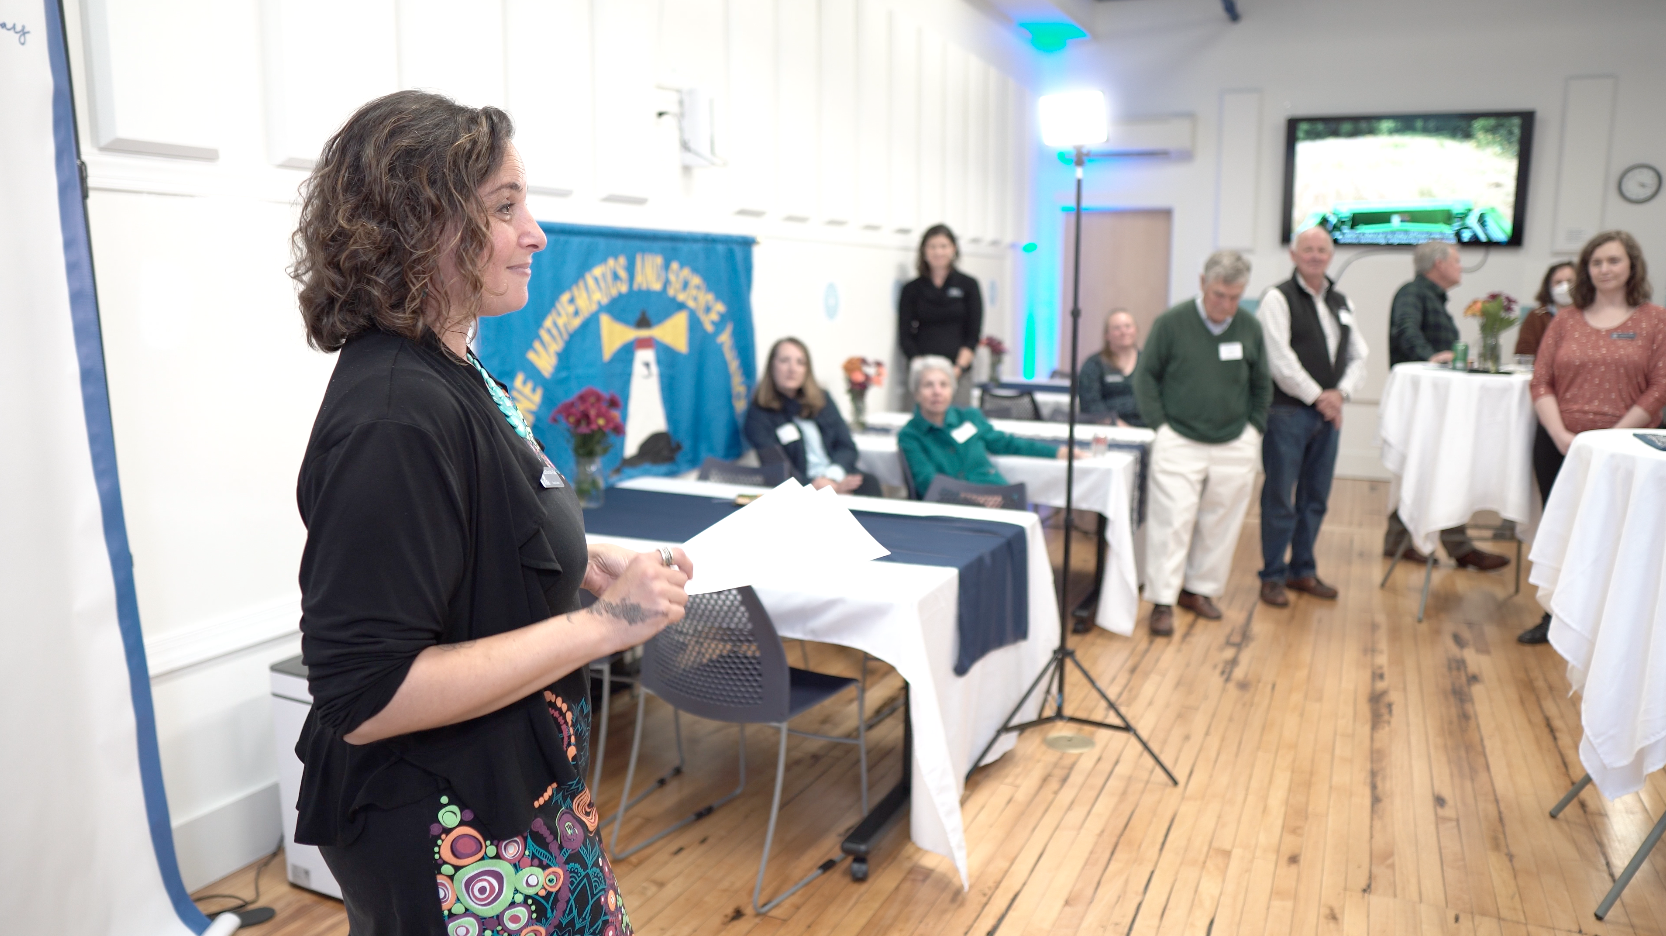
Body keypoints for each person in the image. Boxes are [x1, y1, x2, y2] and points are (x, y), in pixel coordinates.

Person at [288, 91, 690, 935]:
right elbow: (366, 694)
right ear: (417, 227)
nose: (535, 233)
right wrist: (605, 624)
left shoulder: (454, 366)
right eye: (504, 208)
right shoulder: (394, 413)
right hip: (448, 831)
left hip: (514, 786)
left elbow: (490, 516)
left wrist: (583, 566)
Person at [1517, 231, 1666, 644]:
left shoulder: (1656, 320)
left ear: (1632, 266)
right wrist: (1563, 435)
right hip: (1560, 443)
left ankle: (1608, 626)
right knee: (1561, 528)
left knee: (1616, 536)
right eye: (1596, 262)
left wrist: (1609, 439)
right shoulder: (1565, 319)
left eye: (1613, 261)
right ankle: (1554, 616)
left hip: (1626, 449)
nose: (1604, 269)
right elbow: (1541, 381)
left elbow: (1660, 386)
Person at [1132, 250, 1271, 636]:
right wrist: (1161, 427)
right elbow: (1145, 379)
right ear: (1202, 284)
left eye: (1233, 297)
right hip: (1179, 437)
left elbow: (1262, 382)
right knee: (1172, 521)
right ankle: (1162, 600)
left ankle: (1199, 590)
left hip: (1234, 441)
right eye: (1217, 295)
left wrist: (1254, 428)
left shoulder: (1248, 326)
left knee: (1220, 521)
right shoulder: (1171, 323)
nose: (1225, 305)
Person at [1255, 226, 1370, 607]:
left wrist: (1341, 395)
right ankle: (1272, 575)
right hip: (1287, 413)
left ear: (1331, 255)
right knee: (1280, 497)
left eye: (1323, 249)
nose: (1316, 255)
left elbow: (1358, 356)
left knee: (1315, 497)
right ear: (1293, 255)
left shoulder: (1341, 301)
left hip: (1327, 417)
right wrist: (1320, 397)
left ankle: (1302, 569)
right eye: (1308, 249)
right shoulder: (1277, 298)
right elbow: (1278, 359)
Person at [1383, 241, 1510, 570]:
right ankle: (1456, 546)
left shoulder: (1432, 298)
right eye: (1456, 260)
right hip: (1424, 405)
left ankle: (1401, 542)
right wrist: (1431, 357)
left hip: (1435, 403)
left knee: (1424, 467)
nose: (1460, 265)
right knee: (1438, 467)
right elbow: (1405, 330)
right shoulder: (1412, 293)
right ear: (1438, 263)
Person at [897, 355, 1069, 496]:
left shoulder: (969, 417)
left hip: (994, 492)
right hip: (951, 505)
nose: (937, 391)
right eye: (928, 385)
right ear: (916, 393)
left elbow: (1006, 443)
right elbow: (926, 482)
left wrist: (1056, 452)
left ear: (952, 390)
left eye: (944, 385)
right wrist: (972, 498)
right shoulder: (910, 435)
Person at [744, 337, 880, 496]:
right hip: (797, 490)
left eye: (800, 362)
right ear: (772, 365)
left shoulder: (822, 400)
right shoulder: (759, 414)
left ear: (807, 370)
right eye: (784, 360)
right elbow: (776, 468)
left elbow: (847, 447)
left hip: (837, 477)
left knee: (870, 483)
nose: (792, 368)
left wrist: (832, 478)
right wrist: (815, 486)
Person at [898, 224, 983, 407]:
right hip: (922, 374)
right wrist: (924, 371)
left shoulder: (968, 285)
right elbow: (904, 335)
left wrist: (956, 370)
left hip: (958, 371)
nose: (938, 252)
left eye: (943, 246)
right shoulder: (912, 289)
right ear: (924, 251)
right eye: (933, 247)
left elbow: (972, 335)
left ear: (953, 249)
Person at [1077, 309, 1145, 426]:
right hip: (1107, 429)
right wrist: (1115, 424)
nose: (1123, 332)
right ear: (1106, 335)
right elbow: (1090, 404)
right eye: (1117, 328)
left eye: (1128, 326)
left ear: (1136, 330)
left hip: (1146, 427)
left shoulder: (1147, 362)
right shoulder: (1094, 364)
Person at [1515, 261, 1576, 357]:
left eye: (1569, 281)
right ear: (1549, 286)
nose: (1564, 287)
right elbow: (1524, 352)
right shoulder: (1536, 316)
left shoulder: (1590, 315)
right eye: (1558, 282)